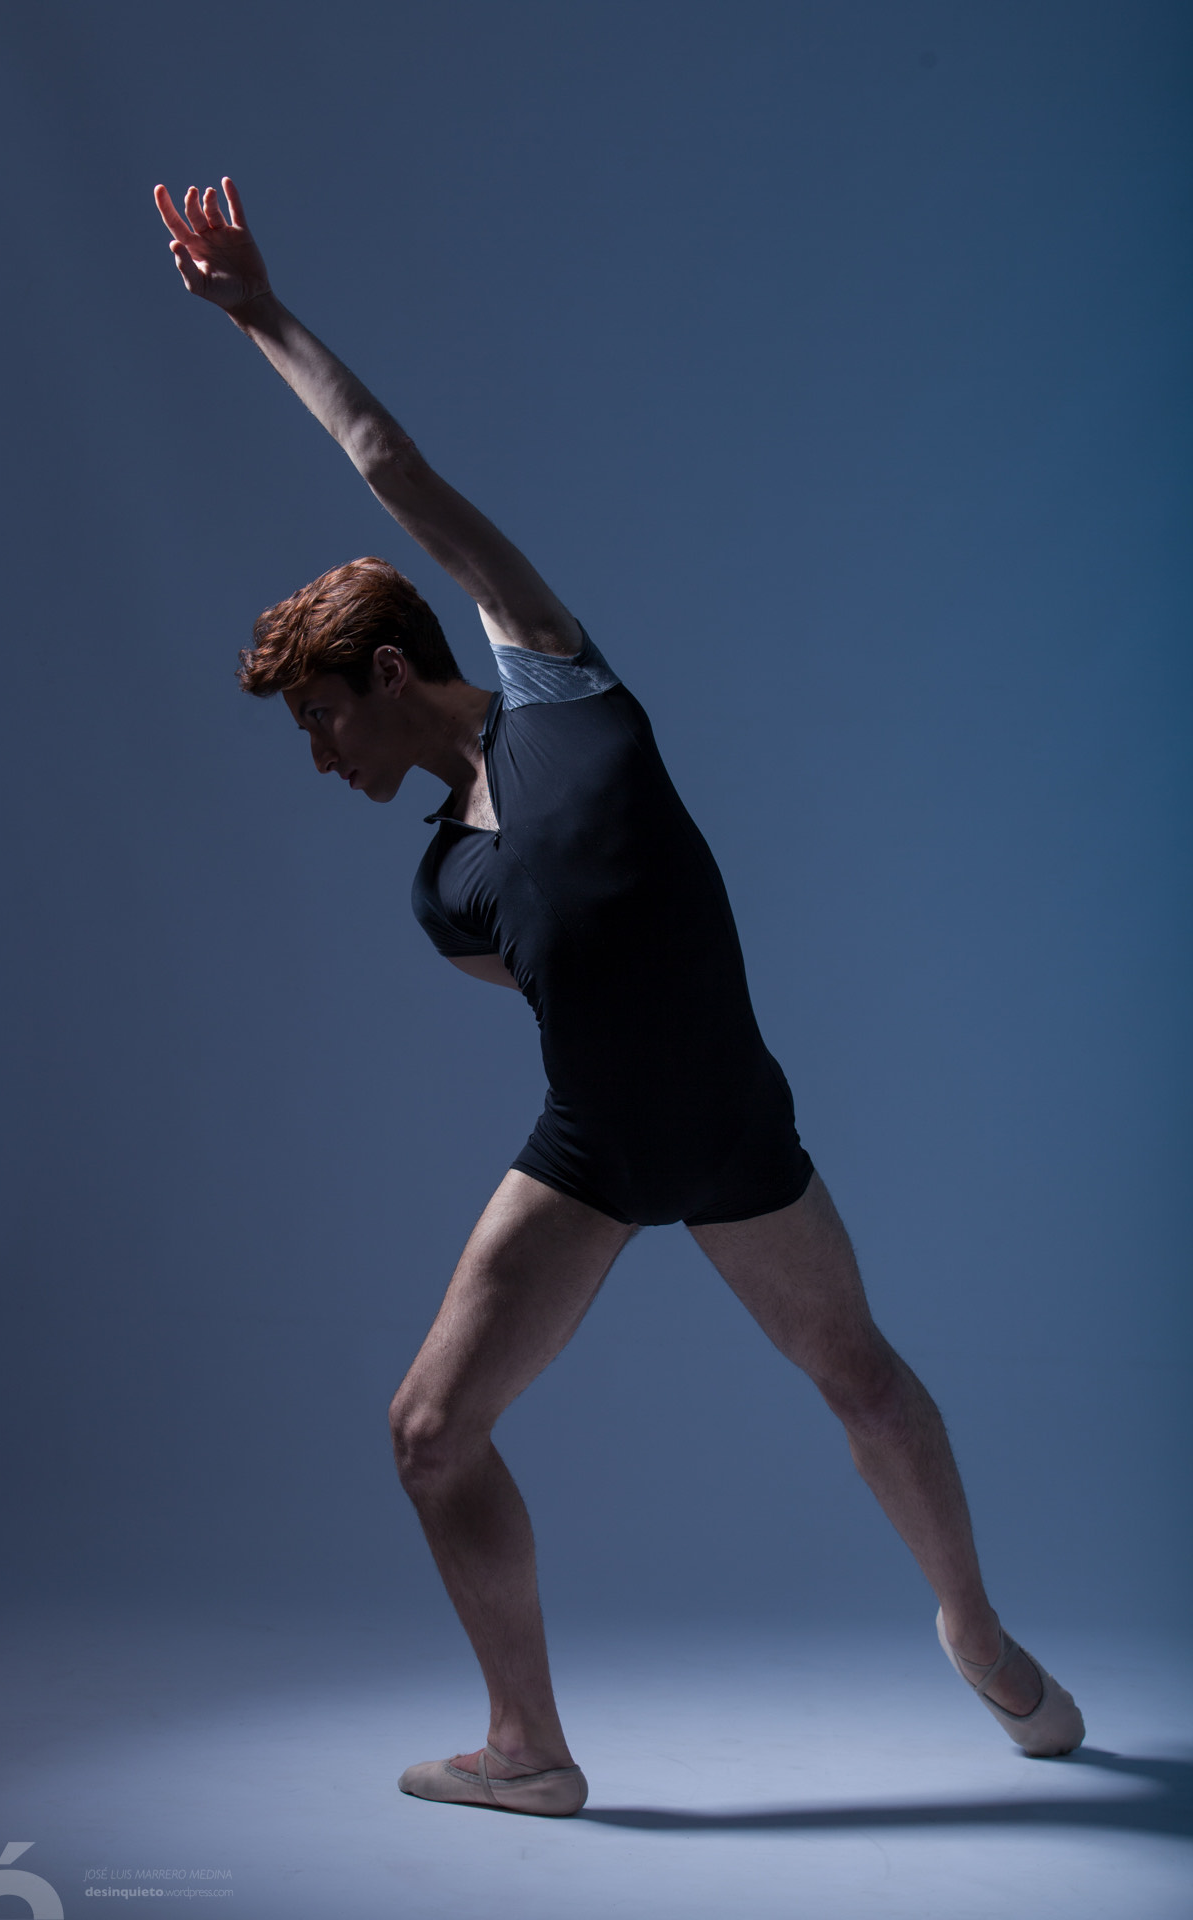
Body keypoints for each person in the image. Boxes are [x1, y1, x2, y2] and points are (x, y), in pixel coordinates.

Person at [154, 177, 1084, 1816]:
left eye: (320, 722)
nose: (319, 758)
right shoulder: (441, 883)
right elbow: (566, 970)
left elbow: (389, 468)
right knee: (430, 1433)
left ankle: (976, 1629)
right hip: (593, 1145)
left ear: (386, 672)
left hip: (733, 1128)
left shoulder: (558, 683)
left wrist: (255, 312)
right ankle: (530, 1749)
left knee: (861, 1377)